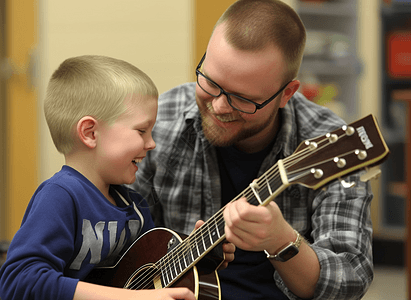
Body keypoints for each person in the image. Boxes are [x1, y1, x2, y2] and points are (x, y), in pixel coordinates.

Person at [131, 0, 374, 299]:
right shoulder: (163, 118)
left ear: (286, 94)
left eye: (243, 99)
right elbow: (118, 234)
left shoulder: (332, 145)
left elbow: (350, 279)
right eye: (210, 81)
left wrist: (281, 240)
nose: (219, 106)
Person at [0, 55, 234, 300]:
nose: (152, 143)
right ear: (90, 133)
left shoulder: (134, 205)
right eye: (142, 131)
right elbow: (19, 281)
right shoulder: (60, 196)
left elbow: (149, 275)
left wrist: (199, 254)